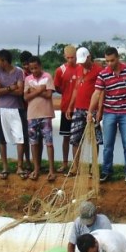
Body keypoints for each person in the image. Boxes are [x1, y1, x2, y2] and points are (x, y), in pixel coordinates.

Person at [88, 47, 126, 185]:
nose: (109, 63)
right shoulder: (103, 74)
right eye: (107, 61)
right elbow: (97, 93)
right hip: (110, 112)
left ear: (118, 58)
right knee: (108, 144)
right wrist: (90, 111)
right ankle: (107, 170)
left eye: (112, 60)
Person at [0, 49, 26, 180]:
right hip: (1, 108)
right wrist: (10, 88)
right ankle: (5, 167)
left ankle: (20, 166)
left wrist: (3, 90)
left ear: (5, 61)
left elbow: (20, 91)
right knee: (2, 138)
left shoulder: (18, 72)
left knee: (20, 137)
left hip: (16, 108)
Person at [66, 47, 104, 165]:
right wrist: (70, 106)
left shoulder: (99, 70)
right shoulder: (78, 69)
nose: (82, 64)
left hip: (92, 109)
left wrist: (100, 110)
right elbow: (76, 88)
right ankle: (75, 166)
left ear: (89, 57)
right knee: (75, 138)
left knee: (94, 140)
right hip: (78, 108)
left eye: (84, 61)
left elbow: (102, 91)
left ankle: (93, 166)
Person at [24, 56, 56, 182]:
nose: (34, 71)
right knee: (34, 142)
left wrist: (34, 91)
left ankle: (51, 170)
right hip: (32, 114)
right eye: (31, 68)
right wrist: (40, 89)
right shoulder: (27, 79)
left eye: (36, 68)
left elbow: (48, 95)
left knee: (48, 142)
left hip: (45, 114)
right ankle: (36, 169)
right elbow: (26, 97)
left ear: (40, 66)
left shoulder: (47, 76)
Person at [53, 45, 79, 174]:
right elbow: (56, 87)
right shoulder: (60, 70)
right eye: (68, 57)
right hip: (65, 107)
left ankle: (77, 164)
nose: (70, 60)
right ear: (64, 57)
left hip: (79, 107)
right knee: (66, 137)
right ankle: (64, 163)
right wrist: (66, 93)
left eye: (72, 57)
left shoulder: (81, 68)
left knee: (78, 138)